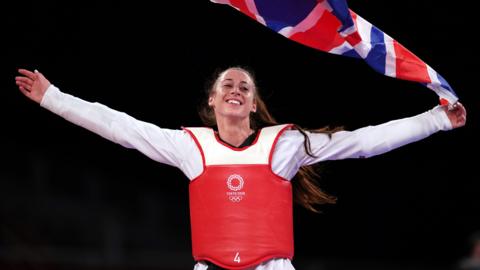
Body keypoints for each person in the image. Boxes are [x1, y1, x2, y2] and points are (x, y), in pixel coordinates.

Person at [15, 67, 466, 270]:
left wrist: (434, 120)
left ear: (253, 103)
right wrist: (54, 98)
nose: (235, 89)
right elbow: (118, 126)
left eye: (244, 86)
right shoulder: (189, 146)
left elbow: (363, 143)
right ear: (213, 101)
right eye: (227, 84)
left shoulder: (285, 144)